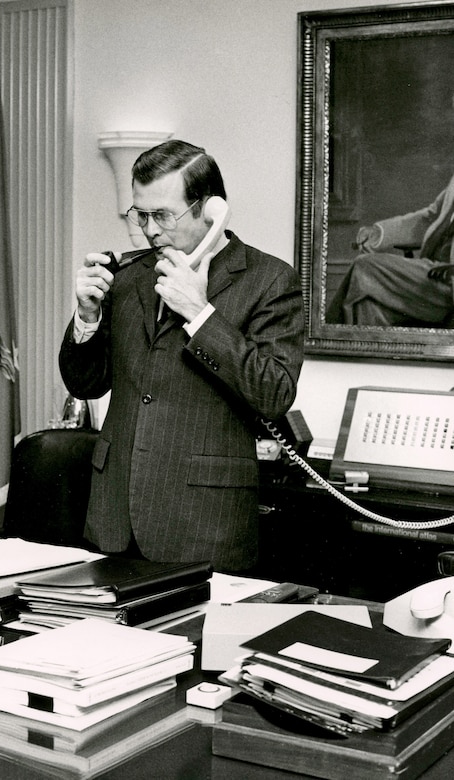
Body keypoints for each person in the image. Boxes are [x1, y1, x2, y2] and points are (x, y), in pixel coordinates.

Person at [59, 140, 304, 572]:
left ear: (210, 211)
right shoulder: (128, 276)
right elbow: (85, 383)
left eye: (162, 215)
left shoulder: (269, 280)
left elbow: (274, 393)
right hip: (114, 518)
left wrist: (200, 314)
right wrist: (86, 317)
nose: (150, 230)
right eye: (140, 214)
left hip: (203, 526)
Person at [326, 173, 454, 326]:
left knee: (364, 266)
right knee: (368, 304)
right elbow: (430, 218)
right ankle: (348, 347)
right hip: (431, 274)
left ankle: (323, 334)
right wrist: (379, 233)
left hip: (447, 282)